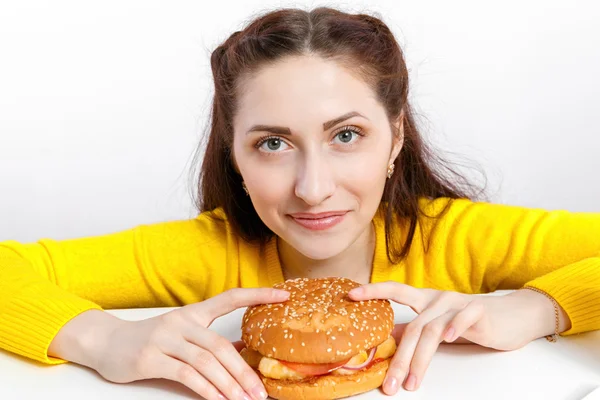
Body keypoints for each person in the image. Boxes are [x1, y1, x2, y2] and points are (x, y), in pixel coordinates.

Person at [1, 6, 599, 400]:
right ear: (233, 153)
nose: (313, 188)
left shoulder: (460, 237)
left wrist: (538, 308)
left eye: (346, 135)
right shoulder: (204, 250)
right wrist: (100, 339)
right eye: (272, 143)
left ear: (395, 138)